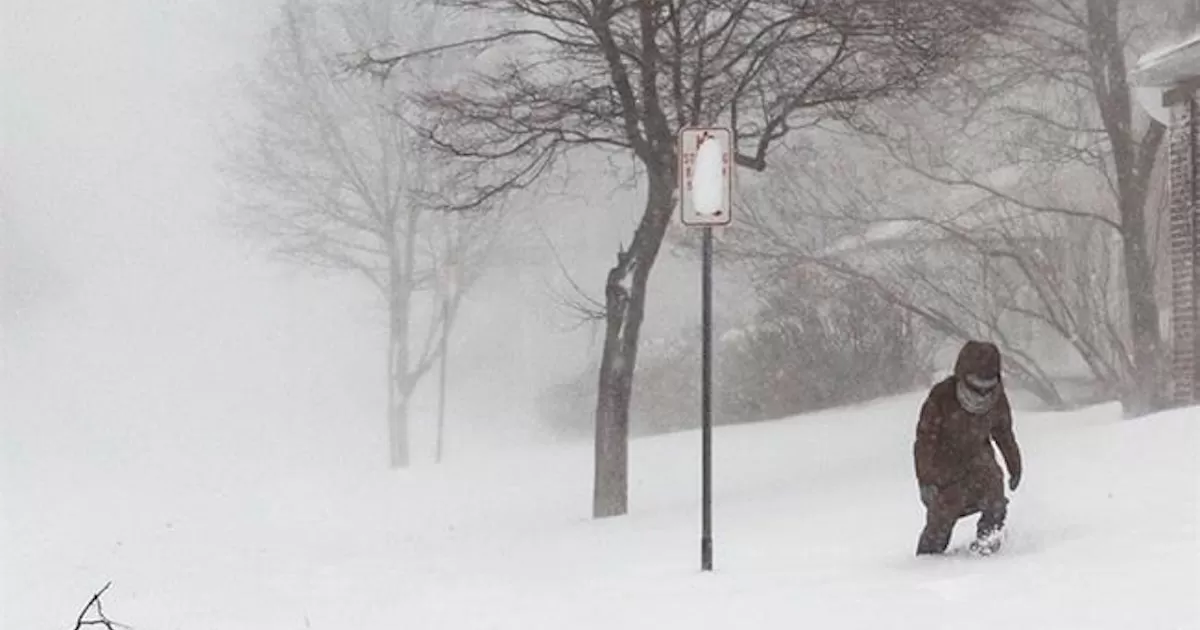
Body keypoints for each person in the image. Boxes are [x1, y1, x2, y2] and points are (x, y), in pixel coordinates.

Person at [913, 340, 1023, 555]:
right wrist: (925, 479)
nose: (982, 392)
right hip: (944, 465)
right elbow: (925, 441)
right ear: (962, 375)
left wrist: (1014, 465)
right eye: (976, 384)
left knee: (995, 500)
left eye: (988, 386)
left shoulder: (997, 398)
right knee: (942, 517)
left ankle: (988, 544)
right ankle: (927, 562)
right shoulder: (942, 396)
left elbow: (1003, 432)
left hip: (979, 459)